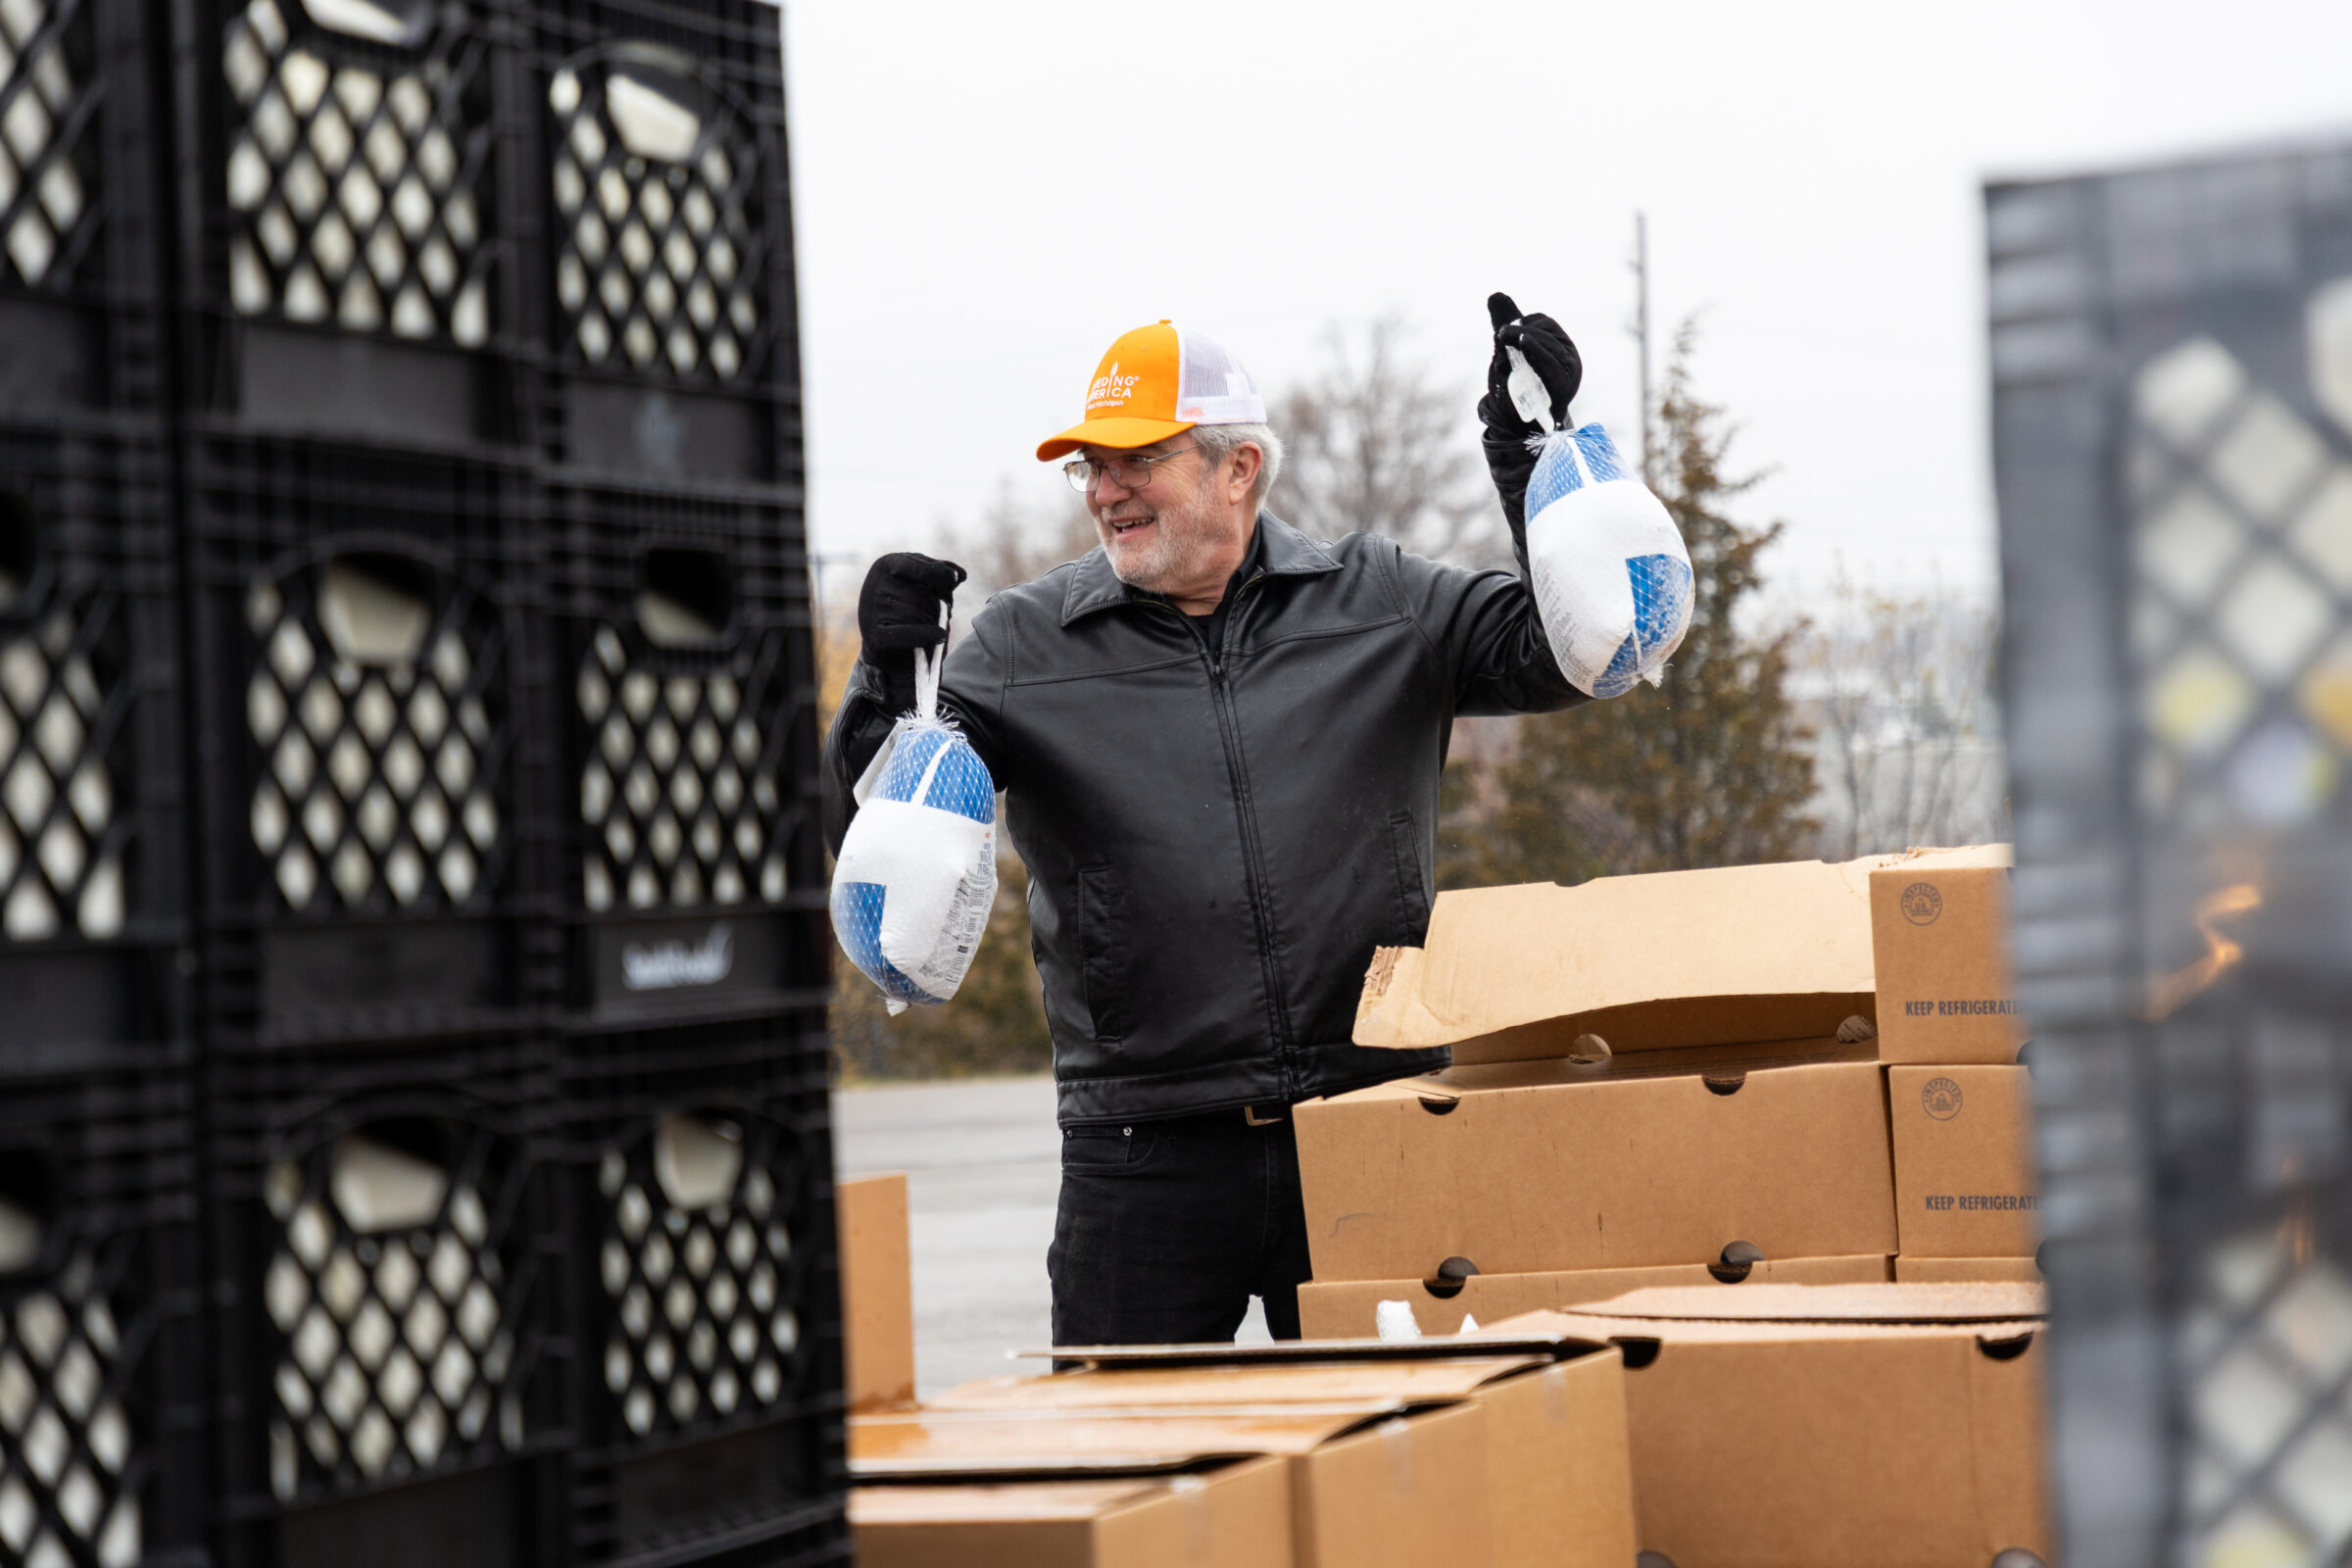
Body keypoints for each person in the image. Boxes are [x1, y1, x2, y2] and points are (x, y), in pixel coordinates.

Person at [824, 297, 1592, 1345]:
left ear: (1238, 468)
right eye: (1090, 466)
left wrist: (1528, 457)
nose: (1105, 490)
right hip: (1141, 1155)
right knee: (1127, 1478)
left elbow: (1576, 650)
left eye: (1136, 458)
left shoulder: (1383, 603)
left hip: (1371, 1125)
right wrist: (886, 674)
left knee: (1399, 1465)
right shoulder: (1020, 648)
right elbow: (885, 828)